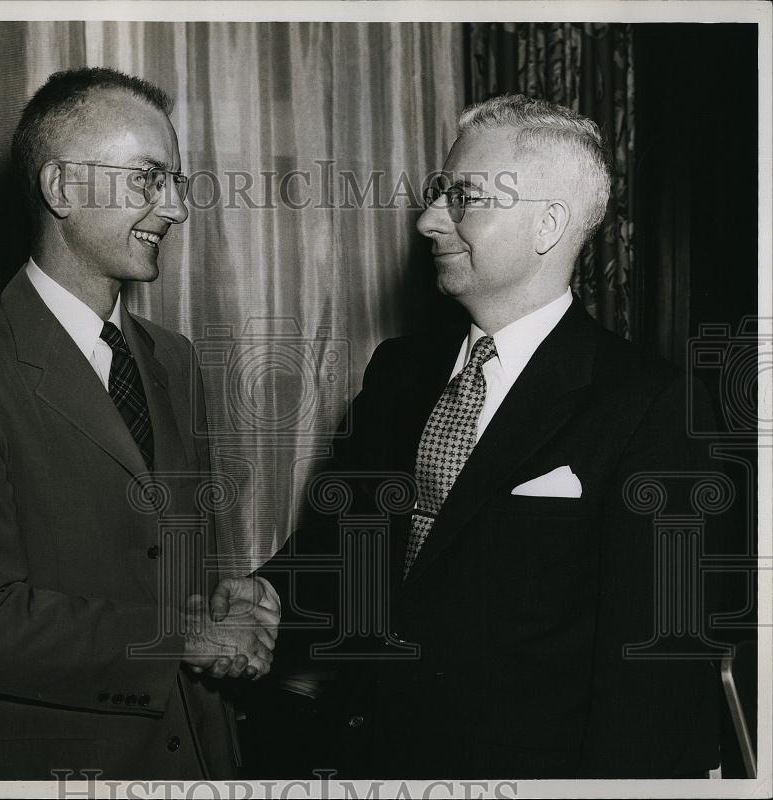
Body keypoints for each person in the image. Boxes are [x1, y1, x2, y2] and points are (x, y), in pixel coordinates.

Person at [274, 94, 725, 778]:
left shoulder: (652, 406)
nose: (428, 222)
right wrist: (263, 597)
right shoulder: (399, 372)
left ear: (547, 225)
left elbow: (653, 687)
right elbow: (340, 552)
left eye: (462, 198)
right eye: (435, 194)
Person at [0, 67, 279, 780]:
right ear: (62, 188)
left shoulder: (175, 359)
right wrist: (186, 634)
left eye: (176, 182)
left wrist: (230, 611)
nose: (178, 210)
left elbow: (177, 560)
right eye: (149, 179)